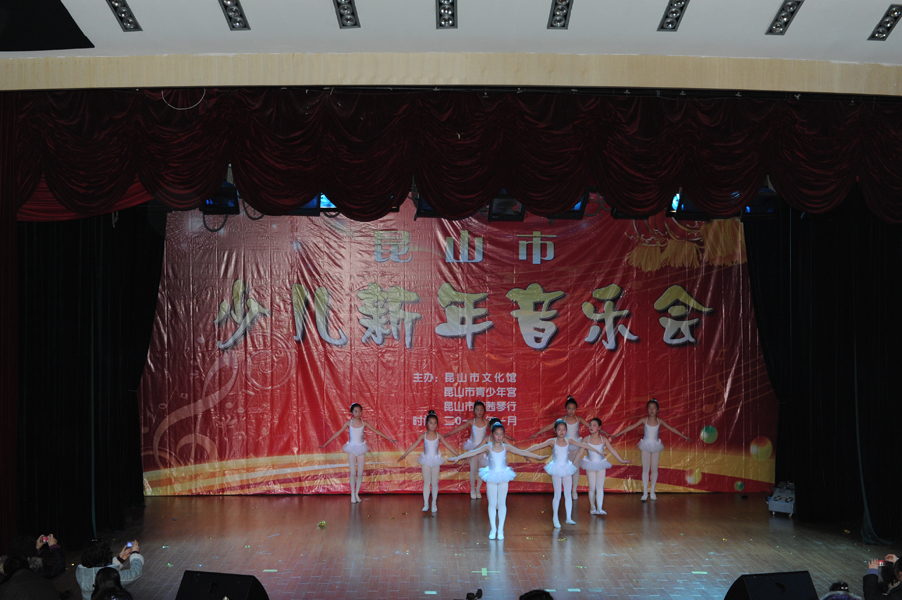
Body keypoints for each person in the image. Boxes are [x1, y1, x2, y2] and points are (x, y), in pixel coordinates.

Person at [450, 420, 546, 540]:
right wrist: (458, 457)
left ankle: (500, 530)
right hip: (491, 475)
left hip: (503, 476)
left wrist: (538, 457)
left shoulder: (506, 447)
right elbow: (474, 451)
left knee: (501, 503)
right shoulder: (488, 447)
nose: (499, 437)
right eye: (497, 434)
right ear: (492, 434)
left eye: (501, 434)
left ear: (504, 435)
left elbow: (521, 451)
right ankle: (493, 529)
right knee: (492, 504)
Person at [527, 396, 611, 499]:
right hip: (564, 446)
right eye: (569, 408)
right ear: (566, 409)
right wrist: (537, 433)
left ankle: (574, 490)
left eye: (573, 408)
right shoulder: (562, 420)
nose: (571, 411)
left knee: (575, 468)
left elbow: (593, 427)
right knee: (564, 468)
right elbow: (550, 426)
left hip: (576, 445)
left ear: (576, 409)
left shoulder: (579, 419)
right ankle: (565, 490)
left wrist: (605, 433)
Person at [526, 419, 605, 528]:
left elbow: (585, 445)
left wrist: (597, 451)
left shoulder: (569, 441)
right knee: (557, 495)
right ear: (555, 431)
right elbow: (537, 446)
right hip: (556, 469)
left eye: (564, 429)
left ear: (566, 430)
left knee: (568, 494)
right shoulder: (552, 441)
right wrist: (525, 452)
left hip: (567, 468)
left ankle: (568, 518)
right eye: (559, 429)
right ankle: (555, 518)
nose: (562, 431)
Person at [612, 398, 691, 501]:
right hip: (645, 445)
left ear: (657, 410)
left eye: (654, 408)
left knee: (654, 469)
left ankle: (652, 491)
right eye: (649, 408)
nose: (652, 410)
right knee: (645, 469)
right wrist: (617, 434)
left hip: (656, 446)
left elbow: (672, 428)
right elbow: (631, 427)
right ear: (647, 409)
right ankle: (645, 493)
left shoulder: (660, 421)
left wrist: (684, 436)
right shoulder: (644, 420)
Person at [320, 403, 398, 503]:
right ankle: (352, 494)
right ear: (352, 412)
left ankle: (357, 494)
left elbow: (376, 431)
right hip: (351, 449)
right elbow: (337, 433)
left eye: (360, 411)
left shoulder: (364, 423)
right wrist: (326, 443)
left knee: (360, 474)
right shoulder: (349, 423)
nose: (358, 413)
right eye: (356, 411)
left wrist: (389, 439)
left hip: (361, 449)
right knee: (353, 473)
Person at [446, 401, 514, 499]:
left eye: (481, 410)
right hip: (473, 447)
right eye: (477, 410)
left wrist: (508, 437)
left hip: (483, 448)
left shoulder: (487, 422)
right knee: (473, 470)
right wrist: (449, 434)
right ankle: (472, 490)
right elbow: (460, 427)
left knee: (481, 470)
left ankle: (478, 489)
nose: (479, 412)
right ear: (474, 411)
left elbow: (496, 430)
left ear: (484, 411)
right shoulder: (471, 422)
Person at [397, 410, 459, 512]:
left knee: (434, 483)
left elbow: (448, 445)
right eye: (431, 423)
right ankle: (426, 503)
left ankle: (434, 503)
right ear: (426, 424)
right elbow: (414, 445)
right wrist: (404, 455)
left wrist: (459, 455)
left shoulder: (439, 436)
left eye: (435, 423)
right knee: (426, 482)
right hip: (425, 460)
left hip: (436, 460)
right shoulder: (423, 435)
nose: (433, 425)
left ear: (437, 424)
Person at [575, 418, 631, 515]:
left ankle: (600, 508)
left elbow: (612, 450)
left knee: (600, 487)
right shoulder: (586, 439)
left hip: (601, 465)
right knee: (592, 487)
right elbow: (580, 452)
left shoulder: (603, 439)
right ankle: (593, 508)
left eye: (594, 425)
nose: (591, 427)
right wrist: (573, 463)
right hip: (590, 465)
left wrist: (621, 460)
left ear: (599, 428)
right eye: (590, 425)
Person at [76, 540, 144, 600]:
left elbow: (97, 569)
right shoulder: (109, 576)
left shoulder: (80, 572)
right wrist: (135, 553)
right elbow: (135, 573)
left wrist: (119, 560)